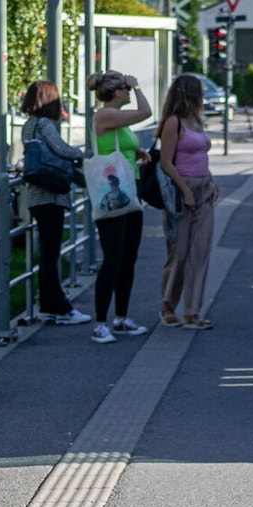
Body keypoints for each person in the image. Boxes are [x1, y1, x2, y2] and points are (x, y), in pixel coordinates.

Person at [88, 70, 153, 344]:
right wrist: (137, 86)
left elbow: (118, 144)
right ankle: (100, 322)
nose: (128, 93)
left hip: (130, 192)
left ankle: (121, 317)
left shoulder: (117, 120)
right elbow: (146, 112)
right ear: (117, 93)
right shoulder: (105, 115)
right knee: (112, 258)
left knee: (128, 257)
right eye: (126, 89)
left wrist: (137, 153)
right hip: (111, 195)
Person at [20, 79, 91, 326]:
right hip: (51, 195)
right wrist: (83, 155)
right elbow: (61, 149)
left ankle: (48, 305)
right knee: (51, 255)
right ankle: (59, 308)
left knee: (47, 255)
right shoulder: (45, 124)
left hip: (36, 196)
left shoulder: (29, 125)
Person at [157, 73, 219, 330]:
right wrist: (185, 190)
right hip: (182, 191)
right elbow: (166, 162)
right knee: (179, 253)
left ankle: (193, 311)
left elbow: (202, 156)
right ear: (190, 94)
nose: (204, 97)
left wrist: (212, 182)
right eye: (200, 92)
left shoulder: (197, 121)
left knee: (200, 252)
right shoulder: (174, 123)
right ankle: (168, 304)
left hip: (204, 188)